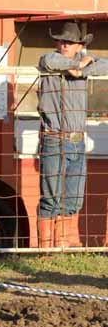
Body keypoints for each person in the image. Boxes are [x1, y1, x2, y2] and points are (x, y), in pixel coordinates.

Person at [37, 22, 108, 248]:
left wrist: (83, 65)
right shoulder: (49, 59)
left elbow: (104, 65)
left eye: (69, 41)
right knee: (51, 197)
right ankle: (47, 249)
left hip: (77, 140)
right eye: (60, 40)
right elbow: (56, 64)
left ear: (79, 45)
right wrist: (82, 65)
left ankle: (63, 245)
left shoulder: (83, 62)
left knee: (74, 199)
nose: (63, 44)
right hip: (55, 137)